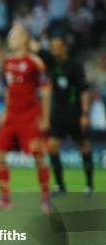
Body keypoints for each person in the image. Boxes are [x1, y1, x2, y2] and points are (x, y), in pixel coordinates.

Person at [0, 22, 52, 212]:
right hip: (11, 116)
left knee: (38, 157)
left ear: (24, 39)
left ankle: (45, 199)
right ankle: (5, 200)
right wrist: (5, 111)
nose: (10, 39)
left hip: (29, 116)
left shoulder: (34, 62)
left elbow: (46, 90)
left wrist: (45, 118)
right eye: (10, 36)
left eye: (14, 36)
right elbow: (9, 89)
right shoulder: (7, 62)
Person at [45, 36, 93, 196]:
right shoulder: (52, 64)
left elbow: (84, 90)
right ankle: (60, 185)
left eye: (56, 46)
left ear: (64, 47)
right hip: (58, 113)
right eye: (51, 46)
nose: (53, 49)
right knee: (52, 146)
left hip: (74, 112)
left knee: (83, 145)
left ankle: (89, 185)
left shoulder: (75, 65)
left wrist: (85, 114)